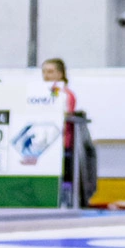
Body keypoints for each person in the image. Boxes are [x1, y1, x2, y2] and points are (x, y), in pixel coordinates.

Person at [41, 58, 80, 205]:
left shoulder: (66, 94)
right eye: (44, 72)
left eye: (50, 72)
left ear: (60, 74)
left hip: (62, 143)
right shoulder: (38, 94)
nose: (46, 75)